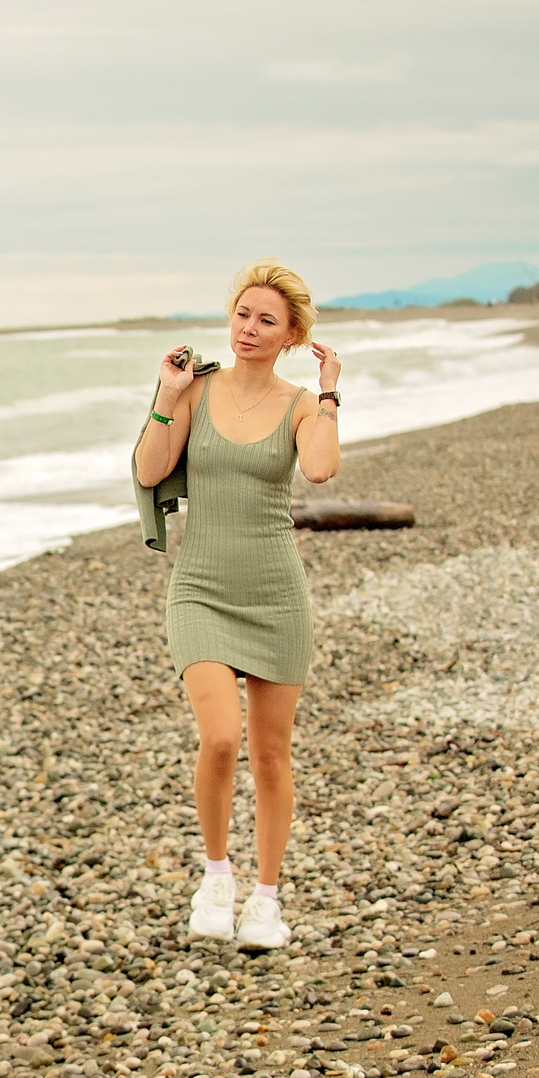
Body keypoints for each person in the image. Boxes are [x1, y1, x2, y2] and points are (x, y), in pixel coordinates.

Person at [130, 261, 340, 951]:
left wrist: (330, 393)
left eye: (266, 320)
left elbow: (320, 468)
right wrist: (167, 395)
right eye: (242, 314)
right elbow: (150, 469)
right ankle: (216, 877)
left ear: (291, 335)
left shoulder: (300, 403)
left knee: (272, 754)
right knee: (220, 737)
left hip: (276, 594)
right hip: (201, 589)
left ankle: (267, 901)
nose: (248, 328)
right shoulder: (197, 388)